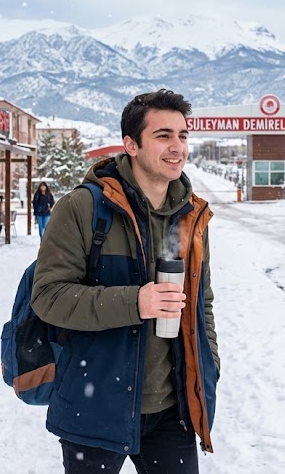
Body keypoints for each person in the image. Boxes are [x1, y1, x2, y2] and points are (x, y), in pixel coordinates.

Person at [32, 89, 219, 474]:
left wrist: (209, 365)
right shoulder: (84, 208)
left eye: (183, 135)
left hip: (172, 412)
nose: (177, 147)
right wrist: (135, 303)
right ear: (131, 144)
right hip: (95, 406)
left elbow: (202, 304)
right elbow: (48, 296)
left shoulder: (190, 216)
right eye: (163, 135)